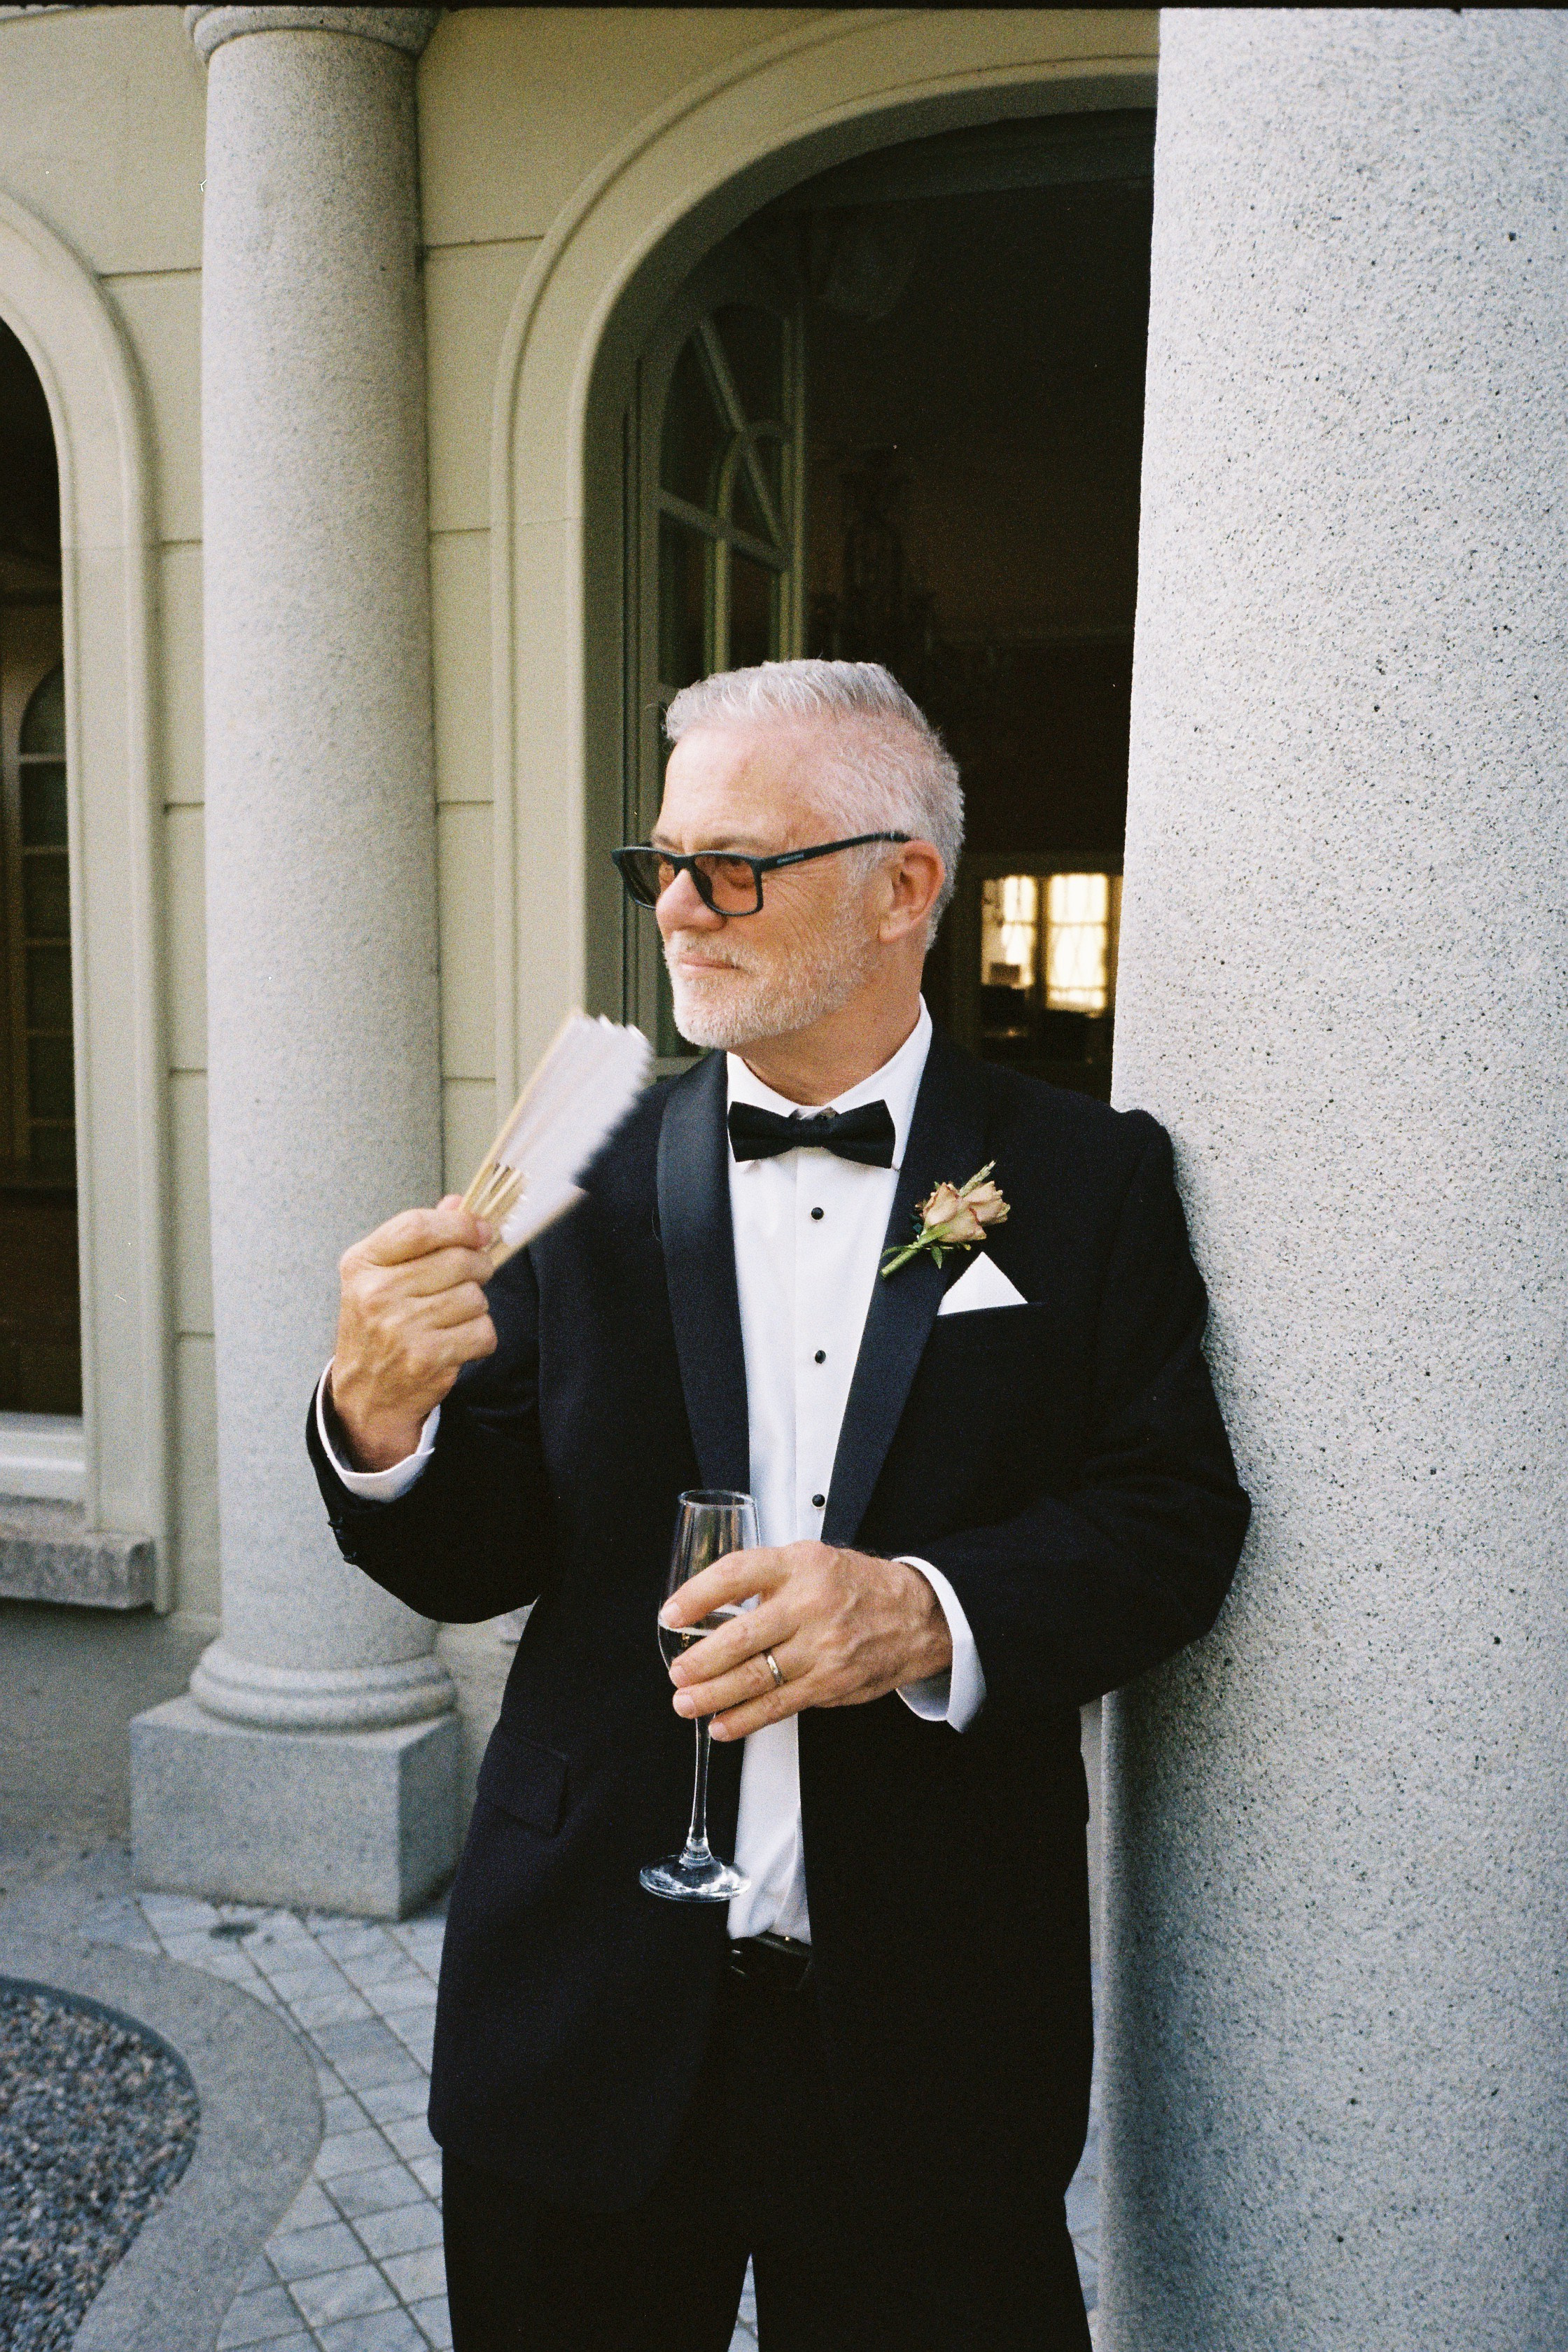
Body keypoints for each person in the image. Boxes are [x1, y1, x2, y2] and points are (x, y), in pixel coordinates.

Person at [309, 659, 1250, 2351]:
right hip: (579, 2013)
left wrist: (928, 1610)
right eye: (660, 862)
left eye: (732, 864)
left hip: (934, 2029)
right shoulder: (568, 1186)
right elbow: (478, 1555)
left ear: (904, 887)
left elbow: (1171, 1521)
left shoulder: (1091, 1180)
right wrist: (377, 1418)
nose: (676, 908)